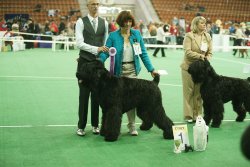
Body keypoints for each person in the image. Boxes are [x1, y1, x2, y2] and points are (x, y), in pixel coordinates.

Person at [99, 11, 158, 136]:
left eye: (130, 21)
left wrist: (151, 69)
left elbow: (143, 53)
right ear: (121, 22)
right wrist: (99, 61)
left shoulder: (136, 34)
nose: (128, 24)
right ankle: (112, 127)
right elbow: (106, 52)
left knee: (132, 100)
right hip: (118, 73)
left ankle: (132, 126)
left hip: (132, 70)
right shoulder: (113, 36)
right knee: (116, 103)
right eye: (125, 21)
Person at [75, 0, 109, 136]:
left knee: (97, 96)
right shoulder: (80, 22)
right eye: (92, 4)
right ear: (87, 6)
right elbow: (79, 43)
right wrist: (97, 49)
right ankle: (81, 126)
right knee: (83, 96)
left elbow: (105, 43)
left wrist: (102, 51)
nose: (95, 6)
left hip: (99, 65)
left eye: (97, 4)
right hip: (83, 64)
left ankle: (95, 125)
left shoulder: (105, 23)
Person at [180, 16, 212, 123]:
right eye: (202, 23)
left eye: (205, 23)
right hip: (188, 68)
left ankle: (198, 115)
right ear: (196, 24)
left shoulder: (207, 36)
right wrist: (200, 56)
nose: (204, 25)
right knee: (189, 92)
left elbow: (210, 52)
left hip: (201, 69)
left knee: (199, 92)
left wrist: (207, 57)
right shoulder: (189, 36)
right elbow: (187, 52)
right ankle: (189, 115)